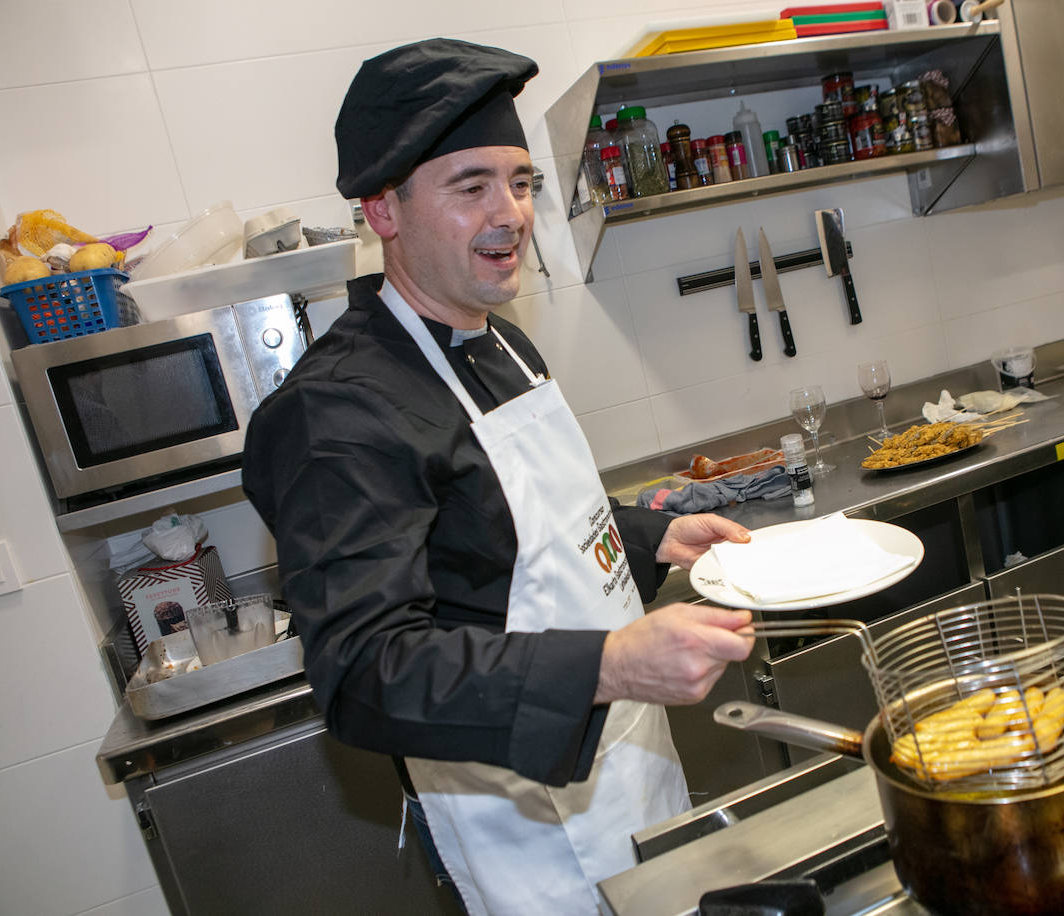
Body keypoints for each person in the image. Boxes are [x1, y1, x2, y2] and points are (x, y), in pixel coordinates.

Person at [240, 37, 757, 915]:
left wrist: (649, 534)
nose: (511, 213)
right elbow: (366, 671)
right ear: (383, 210)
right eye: (471, 185)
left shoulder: (499, 336)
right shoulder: (336, 414)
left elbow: (509, 537)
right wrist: (606, 665)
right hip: (525, 825)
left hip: (634, 765)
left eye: (520, 182)